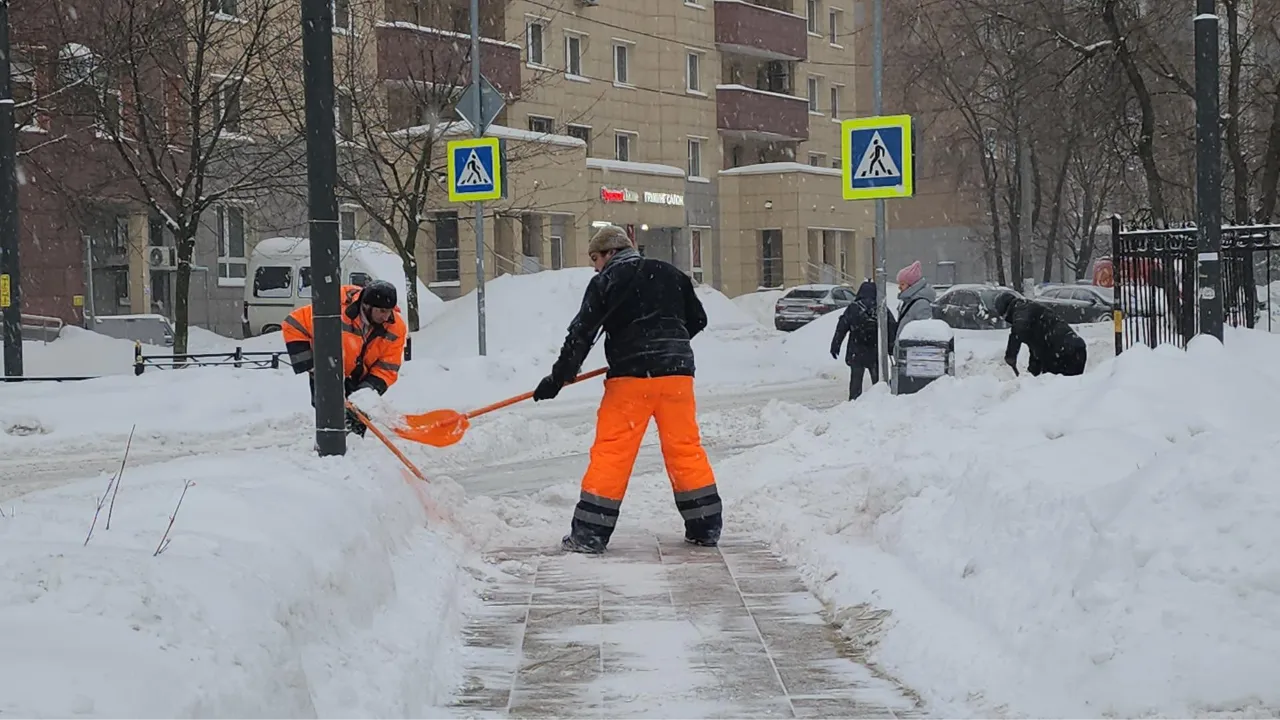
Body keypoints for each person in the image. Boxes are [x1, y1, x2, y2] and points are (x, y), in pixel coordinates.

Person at [532, 225, 721, 554]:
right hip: (677, 378)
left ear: (610, 252)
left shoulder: (606, 282)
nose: (594, 266)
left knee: (612, 453)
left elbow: (582, 334)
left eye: (595, 258)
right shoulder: (670, 274)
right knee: (685, 449)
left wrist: (557, 378)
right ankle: (705, 525)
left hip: (630, 382)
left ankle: (590, 534)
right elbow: (698, 320)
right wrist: (668, 346)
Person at [281, 280, 407, 436]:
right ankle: (328, 454)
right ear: (366, 306)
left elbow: (387, 367)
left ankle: (351, 452)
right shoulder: (334, 310)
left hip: (362, 378)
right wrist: (311, 365)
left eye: (389, 311)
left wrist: (366, 391)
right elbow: (293, 324)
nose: (386, 316)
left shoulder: (396, 328)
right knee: (330, 418)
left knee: (357, 421)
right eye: (381, 311)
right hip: (328, 370)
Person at [994, 291, 1087, 377]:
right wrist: (1031, 376)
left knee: (1057, 389)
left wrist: (1011, 355)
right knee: (1067, 391)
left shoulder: (1021, 308)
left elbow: (1018, 330)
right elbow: (1036, 353)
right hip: (1074, 350)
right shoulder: (1032, 312)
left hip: (1062, 352)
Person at [830, 280, 882, 400]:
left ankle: (853, 401)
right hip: (874, 350)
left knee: (856, 380)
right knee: (879, 382)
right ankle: (880, 401)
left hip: (856, 350)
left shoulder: (853, 308)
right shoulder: (880, 308)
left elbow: (842, 327)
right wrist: (891, 347)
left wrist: (835, 345)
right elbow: (890, 326)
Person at [893, 260, 935, 345]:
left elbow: (924, 334)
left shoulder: (921, 304)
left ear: (912, 285)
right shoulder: (908, 301)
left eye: (902, 284)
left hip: (912, 352)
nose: (899, 287)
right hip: (907, 351)